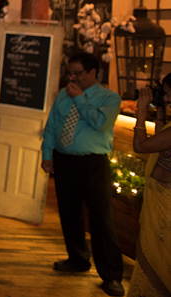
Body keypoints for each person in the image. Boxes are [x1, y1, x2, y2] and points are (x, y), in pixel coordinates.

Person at [41, 52, 124, 297]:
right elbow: (52, 125)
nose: (72, 77)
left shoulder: (109, 97)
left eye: (78, 72)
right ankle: (77, 260)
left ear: (93, 73)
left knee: (101, 218)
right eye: (70, 72)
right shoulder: (62, 95)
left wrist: (80, 99)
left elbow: (100, 123)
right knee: (69, 214)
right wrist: (47, 154)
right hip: (64, 160)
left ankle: (111, 275)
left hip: (93, 163)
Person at [130, 75, 171, 296]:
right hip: (162, 198)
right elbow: (161, 143)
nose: (164, 97)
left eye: (166, 93)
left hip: (166, 204)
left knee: (158, 261)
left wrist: (142, 110)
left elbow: (141, 146)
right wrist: (161, 114)